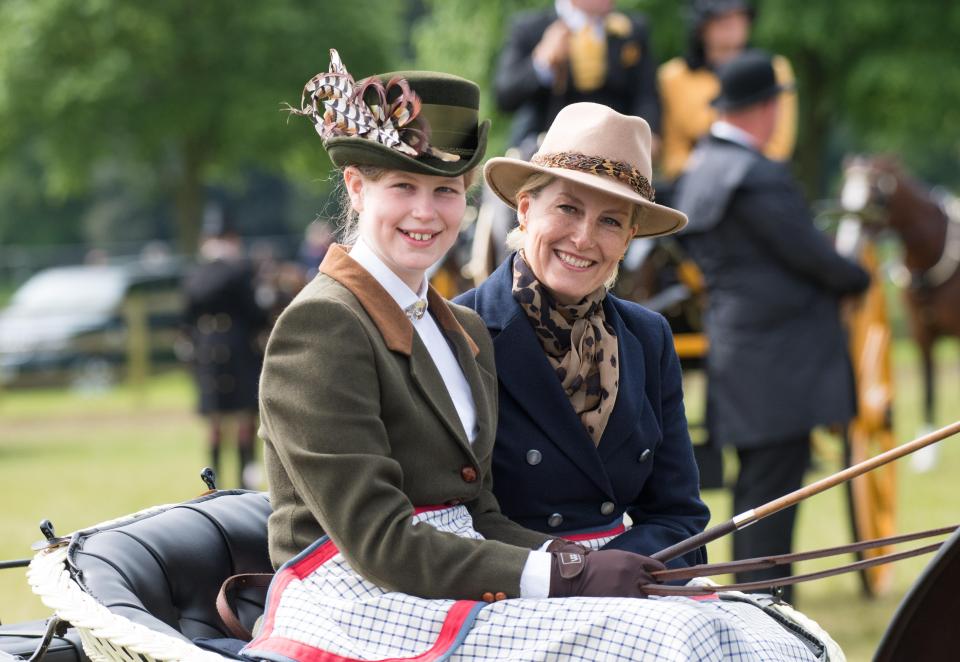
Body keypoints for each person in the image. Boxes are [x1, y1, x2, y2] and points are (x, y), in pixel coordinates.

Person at [245, 50, 823, 661]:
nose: (426, 212)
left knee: (769, 639)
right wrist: (568, 575)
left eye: (445, 191)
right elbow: (380, 539)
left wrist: (577, 564)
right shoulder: (322, 323)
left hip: (454, 574)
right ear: (357, 188)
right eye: (403, 187)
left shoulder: (449, 324)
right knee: (669, 643)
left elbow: (478, 511)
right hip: (362, 594)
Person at [455, 102, 710, 569]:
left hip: (627, 581)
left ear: (630, 237)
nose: (584, 238)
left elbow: (678, 516)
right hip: (505, 588)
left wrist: (616, 569)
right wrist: (566, 572)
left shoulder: (648, 336)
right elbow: (449, 519)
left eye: (610, 221)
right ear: (526, 210)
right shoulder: (458, 332)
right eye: (568, 209)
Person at [674, 50, 870, 602]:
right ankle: (767, 608)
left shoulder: (700, 170)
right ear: (763, 109)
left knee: (757, 493)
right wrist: (857, 277)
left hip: (737, 348)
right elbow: (811, 256)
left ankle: (759, 604)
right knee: (773, 498)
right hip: (782, 360)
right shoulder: (756, 175)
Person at [658, 0, 797, 183]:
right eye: (722, 17)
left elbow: (779, 147)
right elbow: (673, 155)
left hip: (756, 179)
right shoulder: (673, 77)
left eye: (739, 15)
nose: (733, 23)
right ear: (701, 25)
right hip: (694, 181)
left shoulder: (774, 70)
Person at [494, 0, 660, 151]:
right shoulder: (530, 28)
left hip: (612, 150)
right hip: (543, 148)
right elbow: (504, 96)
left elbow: (646, 95)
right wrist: (542, 63)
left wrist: (647, 133)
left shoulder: (631, 30)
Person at [182, 204, 268, 489]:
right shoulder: (240, 269)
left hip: (206, 350)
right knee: (244, 417)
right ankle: (245, 480)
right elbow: (254, 313)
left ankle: (213, 480)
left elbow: (187, 316)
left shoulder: (195, 273)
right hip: (238, 347)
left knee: (215, 422)